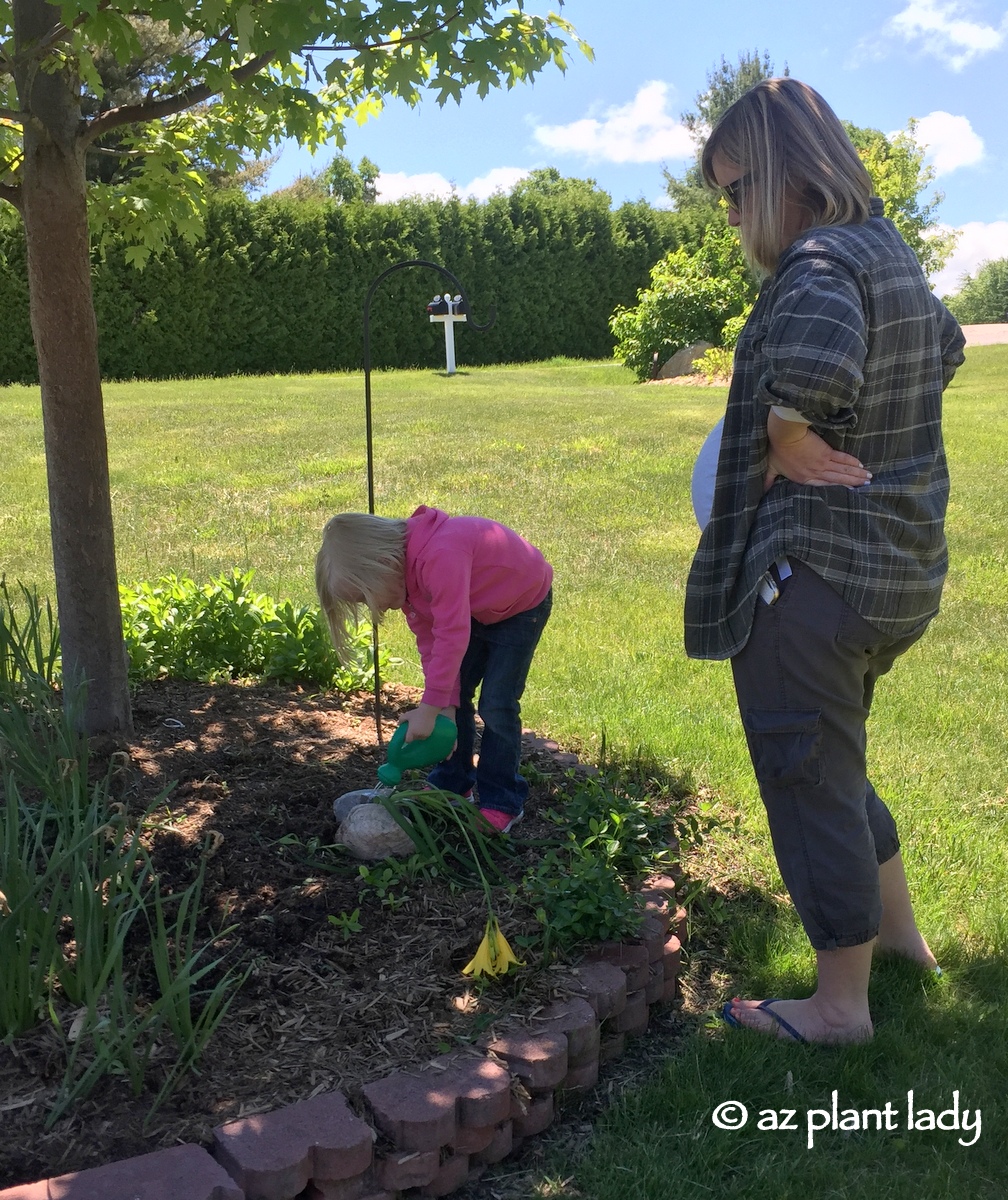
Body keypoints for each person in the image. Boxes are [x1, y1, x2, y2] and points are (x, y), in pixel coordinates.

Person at [684, 78, 965, 1044]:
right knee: (835, 764)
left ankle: (841, 1007)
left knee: (804, 776)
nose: (728, 212)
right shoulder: (892, 257)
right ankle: (900, 944)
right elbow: (948, 347)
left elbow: (817, 357)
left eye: (733, 190)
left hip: (813, 576)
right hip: (892, 575)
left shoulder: (813, 263)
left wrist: (783, 424)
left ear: (787, 176)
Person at [316, 505, 553, 832]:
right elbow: (433, 644)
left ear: (383, 564)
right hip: (475, 607)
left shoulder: (440, 556)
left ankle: (503, 801)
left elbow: (452, 634)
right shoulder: (408, 583)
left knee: (497, 704)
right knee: (455, 700)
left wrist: (428, 709)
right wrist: (443, 707)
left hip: (521, 604)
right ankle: (453, 783)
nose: (374, 608)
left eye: (364, 597)